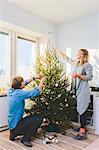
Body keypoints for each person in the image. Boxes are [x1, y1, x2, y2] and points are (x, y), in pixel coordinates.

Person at [55, 48, 93, 140]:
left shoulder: (87, 65)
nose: (77, 54)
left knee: (82, 109)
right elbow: (67, 58)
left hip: (83, 91)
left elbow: (89, 77)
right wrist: (58, 51)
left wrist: (78, 75)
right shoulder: (76, 63)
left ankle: (82, 132)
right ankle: (81, 127)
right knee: (79, 109)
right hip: (76, 90)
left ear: (84, 55)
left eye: (79, 53)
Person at [7, 75, 45, 147]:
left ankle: (13, 133)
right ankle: (25, 139)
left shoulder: (11, 91)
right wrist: (42, 81)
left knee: (29, 119)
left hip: (12, 126)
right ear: (20, 85)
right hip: (17, 125)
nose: (24, 82)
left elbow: (26, 82)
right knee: (39, 118)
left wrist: (35, 77)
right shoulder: (19, 94)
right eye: (22, 82)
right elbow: (37, 92)